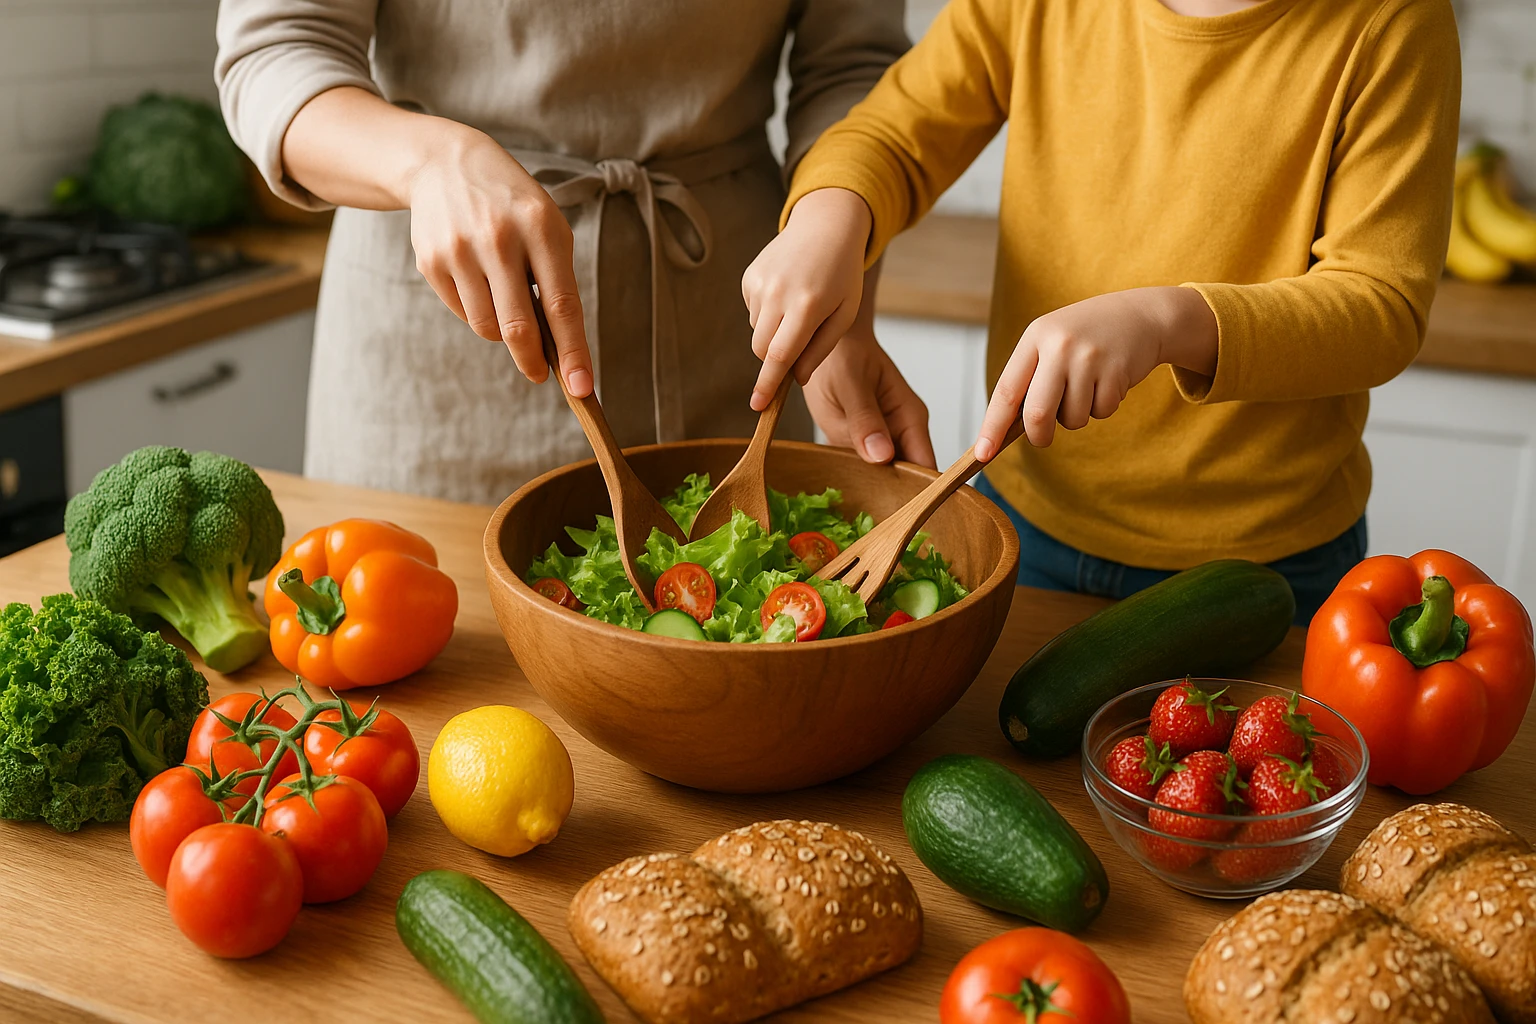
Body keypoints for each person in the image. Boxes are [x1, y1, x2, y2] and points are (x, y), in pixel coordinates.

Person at [741, 0, 1460, 622]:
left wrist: (1166, 324)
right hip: (1024, 518)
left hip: (1268, 566)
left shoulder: (1393, 24)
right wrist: (831, 216)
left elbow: (1380, 304)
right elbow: (897, 135)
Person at [214, 0, 919, 504]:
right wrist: (430, 162)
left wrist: (842, 278)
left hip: (734, 334)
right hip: (434, 368)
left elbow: (853, 69)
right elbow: (274, 52)